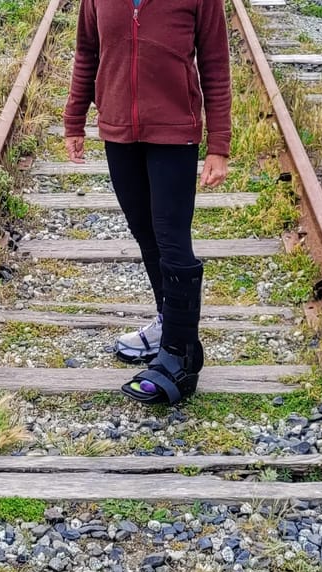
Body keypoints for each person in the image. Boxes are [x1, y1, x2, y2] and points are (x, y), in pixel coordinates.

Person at [64, 0, 232, 404]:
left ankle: (181, 353)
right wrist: (75, 120)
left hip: (176, 132)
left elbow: (215, 64)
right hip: (120, 133)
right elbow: (88, 52)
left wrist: (219, 145)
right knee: (144, 231)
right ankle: (168, 325)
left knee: (172, 237)